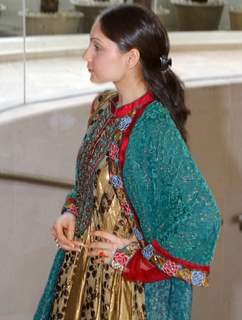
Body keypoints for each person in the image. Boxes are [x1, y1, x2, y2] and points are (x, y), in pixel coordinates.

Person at [34, 4, 221, 320]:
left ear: (131, 58)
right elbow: (92, 183)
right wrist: (72, 210)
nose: (86, 56)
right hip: (77, 277)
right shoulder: (103, 108)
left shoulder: (154, 126)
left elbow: (202, 215)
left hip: (122, 293)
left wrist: (139, 256)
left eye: (98, 47)